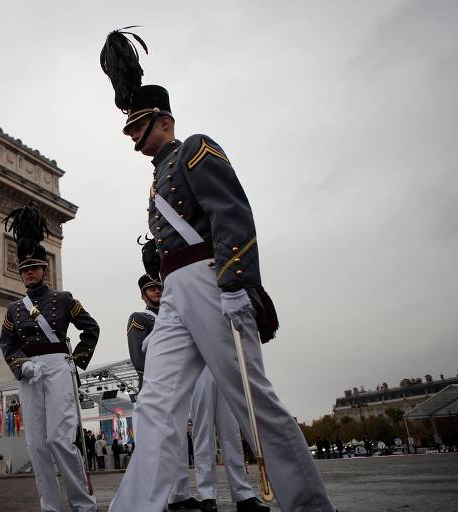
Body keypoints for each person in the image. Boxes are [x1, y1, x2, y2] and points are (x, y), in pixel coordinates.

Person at [100, 30, 336, 512]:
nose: (132, 137)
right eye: (129, 129)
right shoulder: (155, 180)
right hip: (175, 295)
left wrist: (233, 282)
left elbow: (232, 214)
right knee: (156, 404)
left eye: (138, 126)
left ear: (163, 120)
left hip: (211, 281)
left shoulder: (195, 149)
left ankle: (310, 505)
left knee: (253, 402)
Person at [127, 274, 268, 512]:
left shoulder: (189, 301)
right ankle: (207, 493)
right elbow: (142, 355)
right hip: (191, 373)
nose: (157, 292)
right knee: (202, 433)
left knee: (231, 431)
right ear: (143, 294)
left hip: (219, 364)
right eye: (152, 289)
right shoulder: (144, 317)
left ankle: (243, 492)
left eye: (159, 287)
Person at [0, 203, 99, 512]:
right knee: (37, 445)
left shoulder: (63, 299)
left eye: (34, 268)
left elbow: (90, 328)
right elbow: (7, 344)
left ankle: (83, 503)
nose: (29, 273)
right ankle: (51, 506)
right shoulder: (14, 309)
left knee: (59, 439)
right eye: (24, 269)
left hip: (58, 367)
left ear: (45, 269)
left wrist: (75, 360)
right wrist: (21, 365)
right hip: (29, 373)